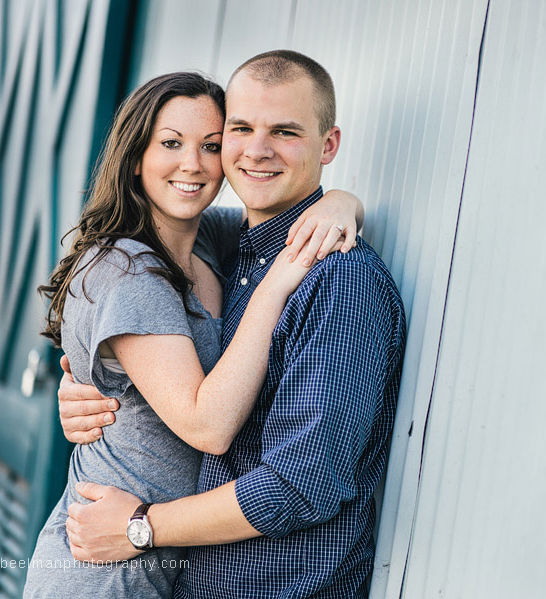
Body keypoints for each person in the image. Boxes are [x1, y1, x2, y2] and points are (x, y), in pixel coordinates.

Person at [58, 50, 407, 598]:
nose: (256, 151)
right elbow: (195, 412)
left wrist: (344, 202)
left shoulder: (322, 279)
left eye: (285, 131)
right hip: (115, 568)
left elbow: (299, 483)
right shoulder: (228, 256)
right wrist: (90, 374)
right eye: (241, 129)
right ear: (134, 156)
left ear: (329, 145)